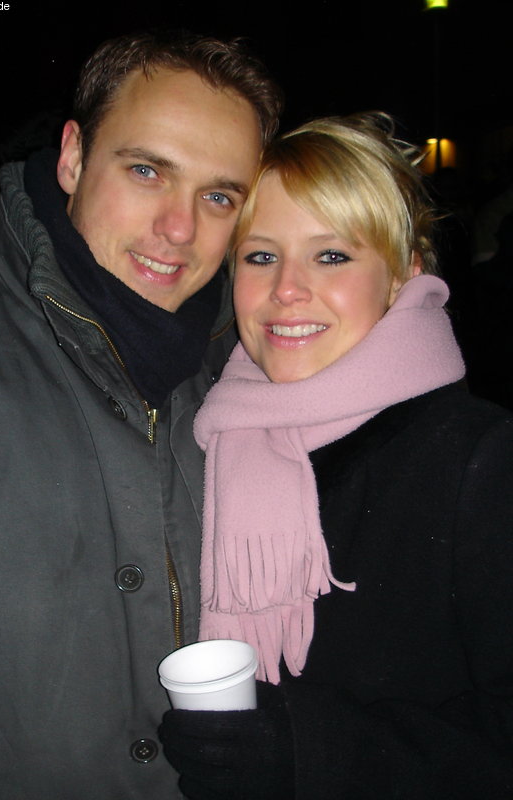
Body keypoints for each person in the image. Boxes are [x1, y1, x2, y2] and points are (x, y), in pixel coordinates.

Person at [0, 32, 282, 800]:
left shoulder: (247, 384)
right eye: (147, 171)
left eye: (219, 196)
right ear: (73, 158)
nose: (179, 229)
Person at [159, 113, 513, 798]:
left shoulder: (479, 458)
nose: (286, 289)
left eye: (331, 256)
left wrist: (314, 753)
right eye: (260, 256)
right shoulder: (207, 434)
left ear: (404, 273)